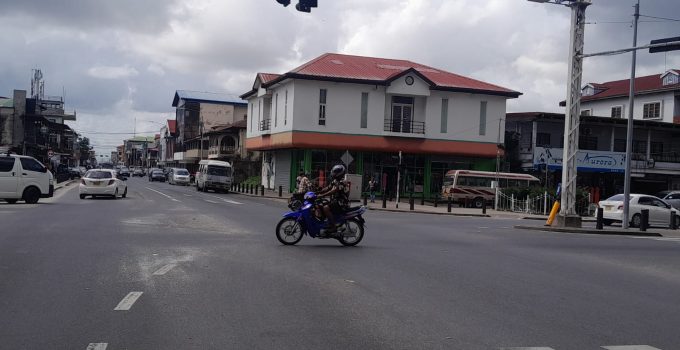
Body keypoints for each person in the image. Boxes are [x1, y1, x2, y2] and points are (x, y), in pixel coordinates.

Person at [317, 164, 349, 233]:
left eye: (335, 172)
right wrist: (317, 192)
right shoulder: (335, 180)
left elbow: (333, 191)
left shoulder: (342, 181)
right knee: (320, 205)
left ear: (339, 173)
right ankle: (326, 222)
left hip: (342, 203)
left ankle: (333, 227)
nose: (333, 173)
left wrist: (322, 195)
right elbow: (328, 188)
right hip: (336, 201)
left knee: (326, 208)